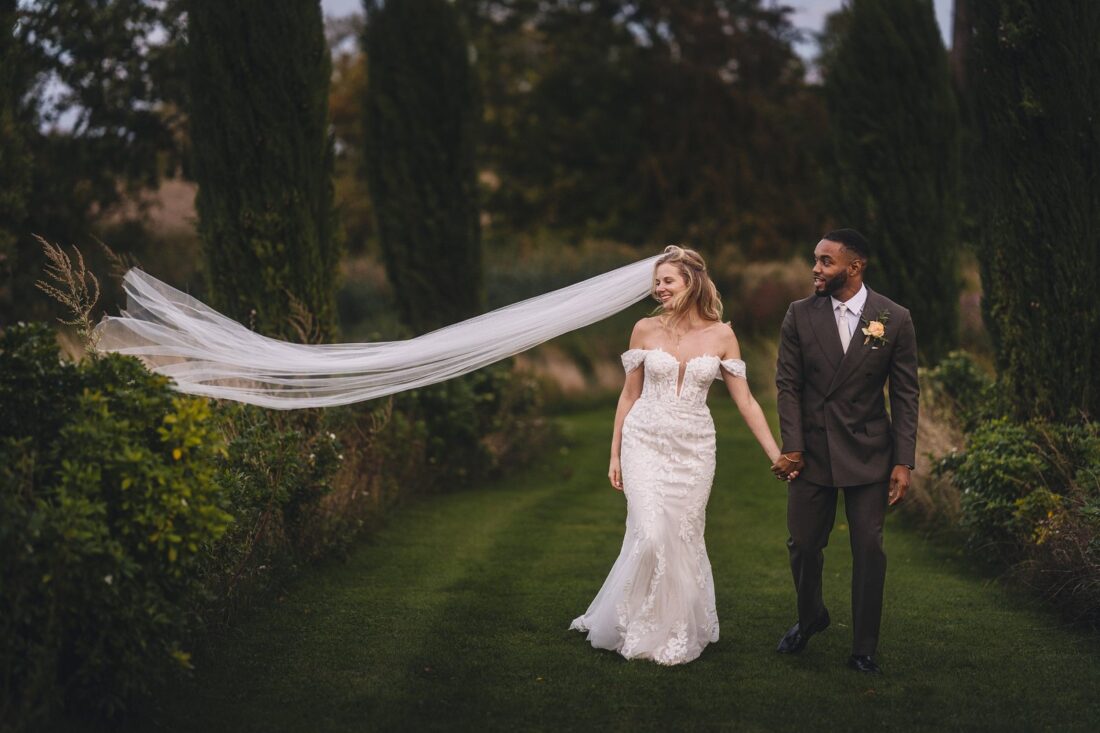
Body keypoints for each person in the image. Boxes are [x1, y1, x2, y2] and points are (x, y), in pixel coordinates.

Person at [570, 245, 784, 665]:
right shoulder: (644, 329)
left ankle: (674, 626)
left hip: (695, 447)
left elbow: (746, 402)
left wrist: (775, 453)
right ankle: (633, 620)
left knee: (683, 535)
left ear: (692, 282)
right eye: (657, 282)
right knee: (650, 533)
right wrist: (614, 453)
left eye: (668, 280)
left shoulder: (722, 335)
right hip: (643, 439)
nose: (659, 288)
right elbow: (628, 394)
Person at [770, 228, 919, 675]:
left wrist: (903, 460)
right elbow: (787, 386)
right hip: (812, 451)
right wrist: (793, 446)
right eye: (815, 259)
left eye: (826, 261)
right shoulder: (799, 314)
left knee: (869, 548)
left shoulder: (894, 318)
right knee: (802, 544)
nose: (815, 269)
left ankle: (863, 648)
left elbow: (906, 394)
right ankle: (811, 615)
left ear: (854, 267)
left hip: (869, 451)